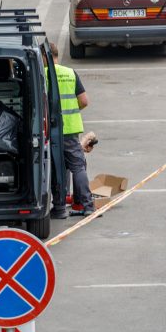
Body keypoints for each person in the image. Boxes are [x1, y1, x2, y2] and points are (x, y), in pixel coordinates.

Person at [48, 42, 95, 218]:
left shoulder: (42, 74)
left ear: (44, 57)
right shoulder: (70, 73)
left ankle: (59, 208)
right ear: (57, 55)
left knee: (56, 168)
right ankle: (87, 206)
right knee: (77, 167)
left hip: (51, 130)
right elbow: (84, 101)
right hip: (70, 129)